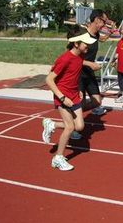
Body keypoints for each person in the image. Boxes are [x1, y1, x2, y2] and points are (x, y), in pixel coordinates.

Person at [41, 29, 96, 171]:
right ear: (76, 44)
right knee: (70, 127)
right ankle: (58, 158)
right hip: (63, 96)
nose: (87, 46)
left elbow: (73, 76)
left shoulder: (79, 59)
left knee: (79, 127)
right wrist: (62, 98)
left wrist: (78, 90)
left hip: (74, 95)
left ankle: (52, 124)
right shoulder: (64, 59)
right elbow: (49, 79)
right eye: (85, 43)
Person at [79, 9, 115, 115]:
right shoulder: (82, 34)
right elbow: (71, 58)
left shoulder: (96, 35)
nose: (105, 24)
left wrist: (111, 32)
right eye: (104, 21)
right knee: (80, 102)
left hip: (89, 73)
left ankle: (75, 113)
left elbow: (102, 39)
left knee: (97, 101)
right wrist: (89, 63)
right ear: (96, 20)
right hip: (78, 73)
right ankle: (73, 125)